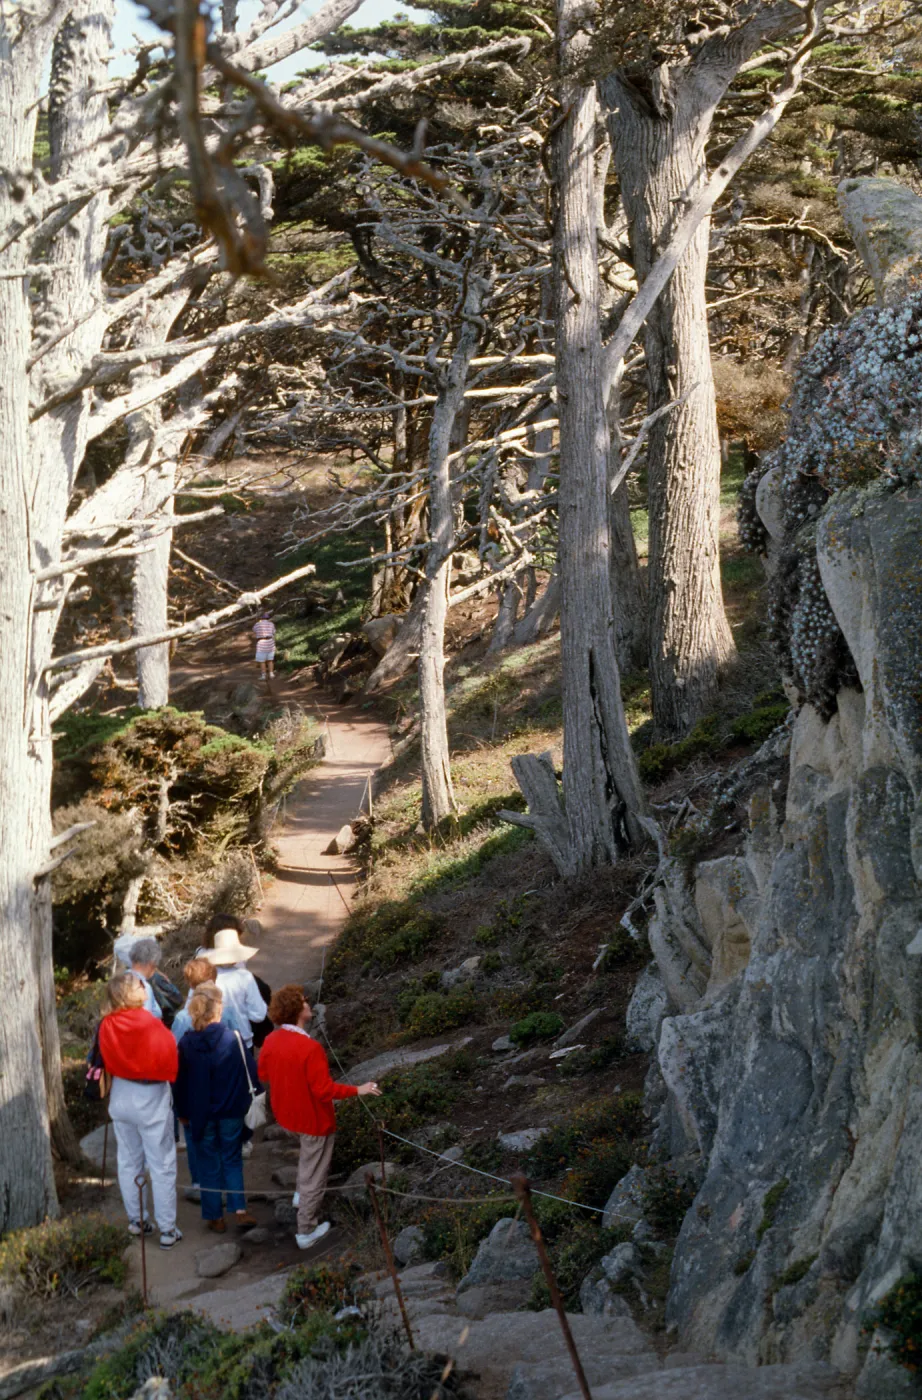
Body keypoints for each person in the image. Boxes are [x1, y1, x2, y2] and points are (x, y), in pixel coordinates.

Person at [258, 985, 381, 1250]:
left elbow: (264, 1075)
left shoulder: (270, 1041)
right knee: (315, 1172)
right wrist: (359, 1090)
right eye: (304, 1002)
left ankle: (300, 1198)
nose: (308, 1004)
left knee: (307, 1160)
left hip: (286, 1116)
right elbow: (324, 1091)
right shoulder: (310, 1048)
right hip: (313, 1119)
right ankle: (306, 1229)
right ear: (297, 1011)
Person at [98, 973, 183, 1249]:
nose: (143, 985)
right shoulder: (150, 1023)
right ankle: (167, 1228)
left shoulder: (107, 1024)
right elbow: (170, 1056)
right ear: (130, 994)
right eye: (138, 984)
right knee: (162, 1164)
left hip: (121, 1095)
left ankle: (137, 1220)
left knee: (128, 1160)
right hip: (150, 1096)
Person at [174, 981, 260, 1234]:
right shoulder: (231, 1038)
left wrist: (182, 1113)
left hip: (200, 1114)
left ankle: (215, 1216)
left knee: (207, 1162)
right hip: (231, 1110)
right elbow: (249, 1073)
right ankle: (240, 1210)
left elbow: (180, 1083)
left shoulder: (187, 1044)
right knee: (232, 1158)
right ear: (216, 1012)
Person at [171, 957, 251, 1197]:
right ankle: (232, 1194)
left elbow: (174, 1051)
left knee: (197, 1138)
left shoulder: (183, 1018)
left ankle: (201, 1185)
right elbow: (241, 1036)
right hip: (225, 1086)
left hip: (195, 1089)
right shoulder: (222, 1010)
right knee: (227, 1144)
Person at [202, 924, 268, 1050]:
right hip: (242, 1040)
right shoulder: (245, 977)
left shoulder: (207, 978)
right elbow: (258, 1014)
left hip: (214, 1041)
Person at [252, 610, 276, 680]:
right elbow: (274, 632)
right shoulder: (271, 624)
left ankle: (263, 675)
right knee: (270, 660)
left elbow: (254, 630)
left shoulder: (257, 624)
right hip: (270, 642)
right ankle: (271, 674)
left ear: (260, 618)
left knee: (262, 661)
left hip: (261, 643)